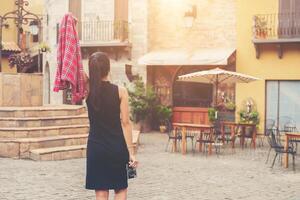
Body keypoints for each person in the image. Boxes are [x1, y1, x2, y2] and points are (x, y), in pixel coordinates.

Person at [84, 52, 138, 200]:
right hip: (116, 147)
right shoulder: (121, 91)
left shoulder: (87, 90)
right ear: (108, 68)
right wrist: (131, 152)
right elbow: (126, 123)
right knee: (120, 189)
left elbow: (75, 71)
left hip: (96, 148)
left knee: (101, 191)